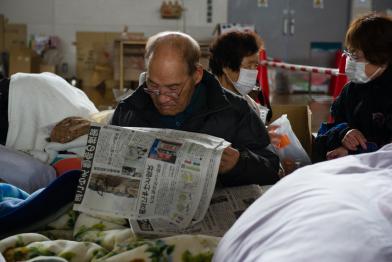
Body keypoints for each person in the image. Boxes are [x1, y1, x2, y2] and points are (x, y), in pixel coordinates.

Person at [111, 31, 280, 186]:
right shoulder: (129, 111)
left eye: (173, 88)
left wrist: (239, 163)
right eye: (153, 85)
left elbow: (271, 170)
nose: (162, 98)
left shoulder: (234, 111)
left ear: (197, 75)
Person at [314, 13, 392, 161]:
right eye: (349, 54)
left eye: (356, 58)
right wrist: (344, 133)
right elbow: (326, 132)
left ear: (381, 58)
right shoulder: (351, 91)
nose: (349, 62)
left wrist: (352, 152)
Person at [208, 30, 272, 123]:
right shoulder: (207, 104)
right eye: (248, 66)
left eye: (255, 66)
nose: (254, 72)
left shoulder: (250, 104)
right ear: (226, 66)